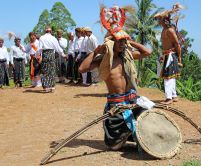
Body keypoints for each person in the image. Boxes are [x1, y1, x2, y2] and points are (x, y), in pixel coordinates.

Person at [79, 6, 151, 150]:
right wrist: (96, 51)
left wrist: (129, 42)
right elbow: (82, 69)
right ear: (111, 42)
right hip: (116, 105)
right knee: (114, 146)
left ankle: (135, 134)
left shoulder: (128, 55)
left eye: (123, 41)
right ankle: (125, 135)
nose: (122, 44)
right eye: (119, 41)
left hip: (133, 100)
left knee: (148, 124)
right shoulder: (103, 60)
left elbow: (147, 52)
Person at [154, 3, 185, 104]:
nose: (158, 21)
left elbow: (177, 45)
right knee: (170, 77)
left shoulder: (170, 30)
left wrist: (180, 58)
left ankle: (169, 98)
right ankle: (174, 95)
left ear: (165, 20)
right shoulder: (164, 30)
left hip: (171, 55)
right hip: (166, 55)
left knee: (168, 77)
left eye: (160, 19)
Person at [37, 26, 66, 92]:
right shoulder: (53, 38)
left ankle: (46, 87)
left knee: (44, 70)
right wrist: (63, 55)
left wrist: (37, 56)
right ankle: (52, 86)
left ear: (45, 31)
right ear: (51, 31)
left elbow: (39, 49)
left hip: (45, 54)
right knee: (52, 70)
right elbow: (58, 48)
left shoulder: (42, 37)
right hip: (51, 54)